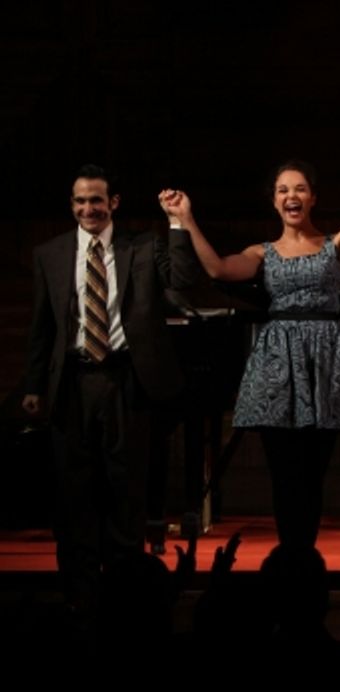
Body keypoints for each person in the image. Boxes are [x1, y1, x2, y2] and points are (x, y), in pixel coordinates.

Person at [159, 133, 340, 548]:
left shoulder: (334, 246)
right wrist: (187, 219)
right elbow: (218, 270)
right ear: (274, 201)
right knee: (284, 474)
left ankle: (302, 556)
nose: (291, 195)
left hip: (325, 364)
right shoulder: (262, 253)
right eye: (283, 190)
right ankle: (290, 557)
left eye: (300, 188)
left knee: (313, 475)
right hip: (277, 368)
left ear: (313, 198)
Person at [22, 164, 201, 617]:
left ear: (113, 203)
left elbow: (181, 279)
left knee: (126, 493)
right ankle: (79, 598)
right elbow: (42, 326)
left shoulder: (141, 245)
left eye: (96, 201)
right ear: (72, 204)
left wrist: (178, 222)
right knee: (74, 495)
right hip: (72, 385)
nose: (88, 209)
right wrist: (33, 385)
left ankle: (125, 598)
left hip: (127, 382)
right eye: (80, 201)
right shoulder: (52, 253)